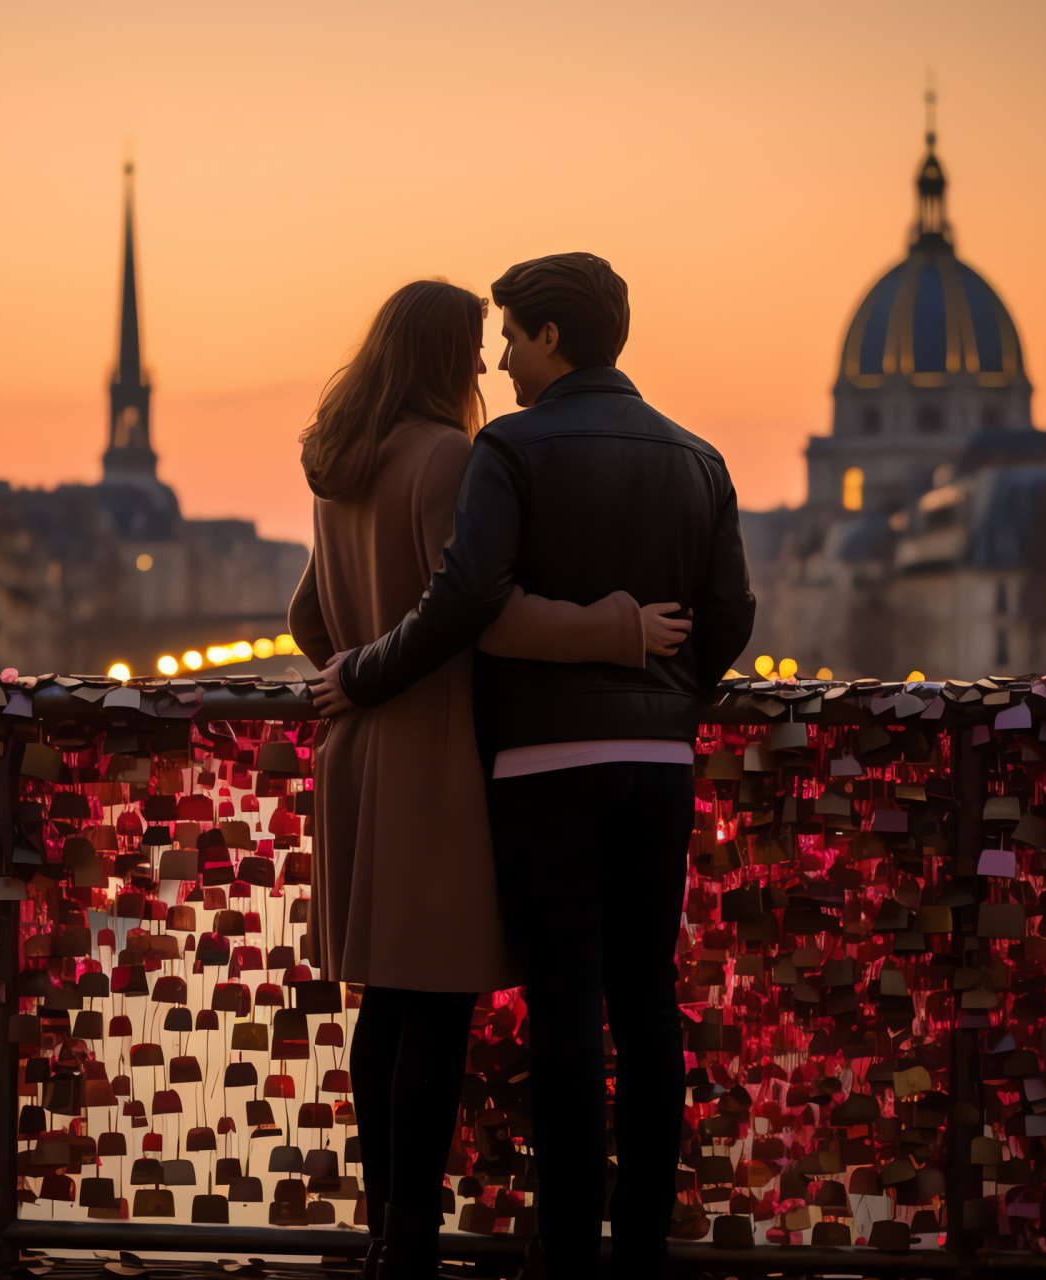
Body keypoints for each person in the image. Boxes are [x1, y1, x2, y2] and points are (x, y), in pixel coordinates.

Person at [312, 254, 756, 1279]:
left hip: (542, 760)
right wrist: (668, 705)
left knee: (562, 1003)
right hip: (658, 756)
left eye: (510, 338)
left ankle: (562, 1247)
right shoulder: (699, 456)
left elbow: (470, 597)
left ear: (551, 337)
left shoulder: (505, 450)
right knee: (647, 1001)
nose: (499, 362)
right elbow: (730, 617)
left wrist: (365, 667)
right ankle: (640, 1241)